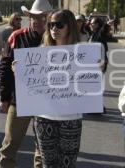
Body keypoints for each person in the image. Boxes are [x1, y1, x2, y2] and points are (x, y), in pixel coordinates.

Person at [0, 0, 52, 168]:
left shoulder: (56, 39)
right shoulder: (17, 36)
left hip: (46, 102)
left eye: (42, 17)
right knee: (9, 148)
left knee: (42, 150)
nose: (37, 20)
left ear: (49, 18)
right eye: (34, 16)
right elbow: (5, 67)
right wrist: (4, 97)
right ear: (29, 17)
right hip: (19, 100)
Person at [32, 9, 82, 167]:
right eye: (51, 25)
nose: (54, 29)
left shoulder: (82, 53)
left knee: (68, 164)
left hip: (70, 118)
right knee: (48, 164)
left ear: (70, 27)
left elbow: (89, 86)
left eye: (59, 25)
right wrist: (18, 71)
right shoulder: (41, 52)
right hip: (44, 118)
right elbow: (32, 83)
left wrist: (97, 69)